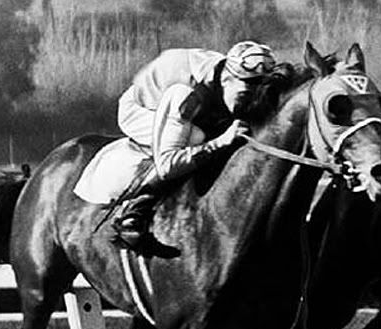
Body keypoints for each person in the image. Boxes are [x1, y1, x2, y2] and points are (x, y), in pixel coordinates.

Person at [113, 40, 277, 257]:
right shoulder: (186, 95)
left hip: (195, 101)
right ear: (227, 79)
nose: (248, 102)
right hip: (141, 109)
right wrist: (220, 142)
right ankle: (134, 210)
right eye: (245, 94)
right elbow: (168, 165)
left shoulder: (233, 82)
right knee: (198, 136)